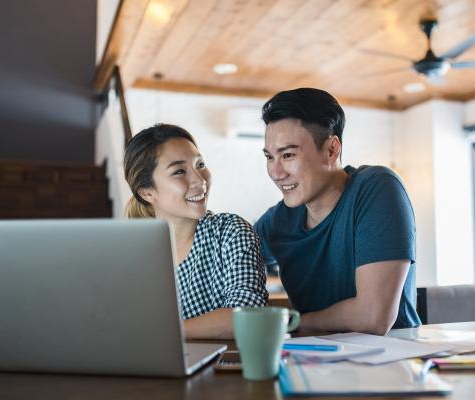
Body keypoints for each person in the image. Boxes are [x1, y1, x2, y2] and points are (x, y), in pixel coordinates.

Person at [255, 88, 420, 335]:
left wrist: (290, 323)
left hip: (389, 363)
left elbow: (373, 318)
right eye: (270, 157)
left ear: (331, 150)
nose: (276, 173)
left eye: (288, 155)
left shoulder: (377, 188)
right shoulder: (276, 221)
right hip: (310, 362)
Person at [124, 123, 268, 339]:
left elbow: (249, 316)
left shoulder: (230, 232)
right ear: (147, 193)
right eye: (179, 171)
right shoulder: (135, 256)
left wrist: (166, 333)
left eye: (200, 164)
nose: (200, 180)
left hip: (226, 369)